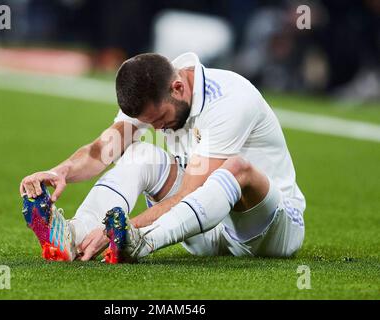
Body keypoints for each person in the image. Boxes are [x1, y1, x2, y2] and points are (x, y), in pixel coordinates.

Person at [20, 52, 305, 263]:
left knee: (236, 169)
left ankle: (140, 242)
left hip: (270, 232)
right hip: (207, 227)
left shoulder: (230, 100)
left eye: (159, 119)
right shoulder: (157, 88)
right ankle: (74, 235)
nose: (156, 128)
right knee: (141, 152)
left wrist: (128, 227)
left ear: (178, 88)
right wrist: (62, 171)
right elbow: (102, 149)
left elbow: (190, 194)